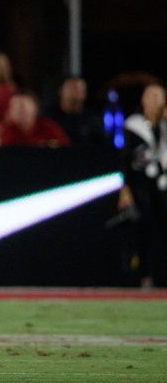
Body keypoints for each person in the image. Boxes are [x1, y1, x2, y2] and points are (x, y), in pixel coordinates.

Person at [118, 83, 167, 288]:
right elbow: (124, 159)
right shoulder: (134, 125)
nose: (152, 100)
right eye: (149, 95)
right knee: (144, 228)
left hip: (162, 185)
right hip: (141, 185)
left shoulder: (164, 127)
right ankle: (144, 276)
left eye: (157, 96)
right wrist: (125, 188)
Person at [44, 76, 107, 147]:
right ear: (61, 91)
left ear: (85, 94)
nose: (74, 94)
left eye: (78, 90)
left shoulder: (93, 119)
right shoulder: (48, 117)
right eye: (70, 89)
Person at [0, 89, 70, 147]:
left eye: (22, 106)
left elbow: (64, 148)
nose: (18, 110)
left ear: (35, 108)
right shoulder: (6, 131)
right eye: (14, 106)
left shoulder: (49, 127)